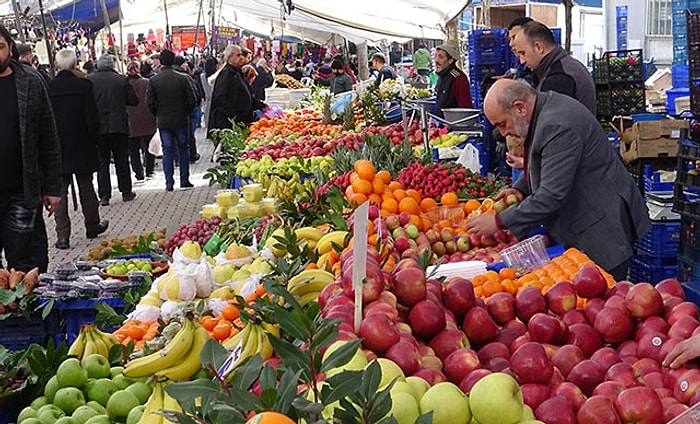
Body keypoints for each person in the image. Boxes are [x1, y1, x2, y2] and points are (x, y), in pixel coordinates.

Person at [465, 79, 650, 280]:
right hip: (586, 221)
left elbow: (552, 196)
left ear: (519, 108)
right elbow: (548, 164)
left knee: (601, 296)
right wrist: (521, 189)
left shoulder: (556, 124)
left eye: (502, 124)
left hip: (600, 230)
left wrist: (499, 220)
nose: (503, 133)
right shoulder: (543, 110)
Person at [0, 25, 62, 272]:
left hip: (21, 192)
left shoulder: (30, 82)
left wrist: (53, 187)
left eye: (0, 47)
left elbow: (48, 137)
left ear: (10, 48)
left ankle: (26, 311)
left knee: (26, 265)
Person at [48, 49, 109, 249]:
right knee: (86, 187)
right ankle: (92, 225)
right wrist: (95, 140)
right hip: (82, 143)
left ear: (57, 65)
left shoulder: (50, 87)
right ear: (75, 64)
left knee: (60, 191)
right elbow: (92, 118)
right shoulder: (83, 86)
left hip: (58, 147)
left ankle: (62, 236)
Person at [511, 21, 596, 114]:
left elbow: (551, 122)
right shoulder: (567, 65)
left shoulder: (559, 76)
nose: (522, 61)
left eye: (523, 53)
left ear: (539, 47)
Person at [88, 54, 139, 205]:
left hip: (99, 127)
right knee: (122, 159)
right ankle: (126, 192)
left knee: (102, 162)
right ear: (112, 65)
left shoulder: (90, 80)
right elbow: (133, 101)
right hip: (119, 126)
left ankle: (104, 195)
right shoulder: (122, 79)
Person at [146, 49, 196, 192]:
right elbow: (192, 99)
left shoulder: (154, 80)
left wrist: (157, 113)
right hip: (181, 119)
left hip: (163, 120)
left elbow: (149, 102)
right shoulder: (183, 78)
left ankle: (169, 182)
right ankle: (184, 179)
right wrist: (186, 111)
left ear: (160, 62)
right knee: (183, 148)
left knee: (167, 150)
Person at [208, 45, 266, 132]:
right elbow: (220, 98)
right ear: (230, 57)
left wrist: (263, 106)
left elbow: (246, 95)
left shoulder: (237, 72)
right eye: (238, 55)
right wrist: (234, 116)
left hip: (239, 121)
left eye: (242, 55)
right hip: (227, 125)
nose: (242, 57)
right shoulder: (226, 74)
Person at [126, 60, 157, 181]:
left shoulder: (124, 83)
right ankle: (149, 170)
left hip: (130, 121)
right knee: (149, 146)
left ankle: (139, 173)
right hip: (147, 118)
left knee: (133, 149)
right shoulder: (147, 82)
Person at [434, 43, 473, 118]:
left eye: (441, 57)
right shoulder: (442, 76)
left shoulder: (458, 79)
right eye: (436, 56)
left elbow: (466, 108)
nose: (436, 60)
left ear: (450, 60)